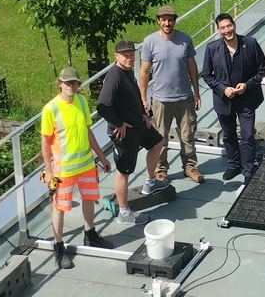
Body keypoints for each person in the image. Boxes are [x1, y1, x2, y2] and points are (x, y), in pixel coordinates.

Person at [40, 67, 113, 269]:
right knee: (60, 208)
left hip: (86, 165)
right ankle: (59, 247)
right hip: (63, 171)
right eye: (68, 83)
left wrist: (101, 156)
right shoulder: (51, 109)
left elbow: (87, 131)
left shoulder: (81, 101)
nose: (72, 86)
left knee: (89, 199)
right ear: (60, 83)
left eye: (75, 83)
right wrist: (49, 170)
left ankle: (90, 235)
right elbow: (45, 142)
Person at [97, 40, 169, 226]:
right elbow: (103, 106)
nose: (129, 58)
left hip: (138, 124)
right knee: (124, 172)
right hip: (124, 133)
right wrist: (118, 124)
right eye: (125, 55)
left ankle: (150, 182)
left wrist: (143, 114)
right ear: (116, 56)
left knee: (157, 143)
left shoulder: (127, 72)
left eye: (131, 54)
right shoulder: (114, 76)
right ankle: (124, 212)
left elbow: (134, 96)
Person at [201, 13, 265, 185]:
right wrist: (224, 90)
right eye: (222, 28)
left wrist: (247, 85)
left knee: (247, 136)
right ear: (218, 30)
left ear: (234, 25)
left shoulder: (251, 44)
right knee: (229, 135)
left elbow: (262, 70)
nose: (227, 30)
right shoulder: (212, 48)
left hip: (246, 99)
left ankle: (248, 169)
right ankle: (234, 164)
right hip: (224, 100)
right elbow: (207, 75)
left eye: (229, 26)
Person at [139, 6, 204, 183]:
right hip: (161, 100)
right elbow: (144, 72)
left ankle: (190, 167)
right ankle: (161, 169)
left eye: (170, 19)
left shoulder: (185, 40)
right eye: (164, 19)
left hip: (185, 98)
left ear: (175, 20)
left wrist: (197, 93)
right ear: (158, 21)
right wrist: (143, 99)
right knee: (161, 138)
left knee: (188, 135)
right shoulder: (150, 42)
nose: (167, 23)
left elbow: (192, 66)